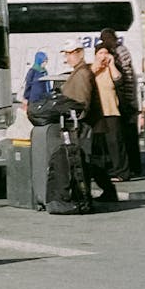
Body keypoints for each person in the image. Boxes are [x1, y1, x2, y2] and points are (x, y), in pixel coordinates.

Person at [58, 38, 118, 206]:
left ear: (79, 53)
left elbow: (83, 100)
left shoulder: (83, 73)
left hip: (90, 126)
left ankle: (101, 192)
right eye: (66, 54)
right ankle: (104, 191)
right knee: (92, 162)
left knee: (92, 162)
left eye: (70, 54)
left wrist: (77, 117)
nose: (67, 58)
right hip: (89, 125)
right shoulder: (79, 71)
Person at [100, 26, 141, 178]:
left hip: (126, 101)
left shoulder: (119, 52)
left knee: (125, 137)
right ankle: (134, 167)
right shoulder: (120, 50)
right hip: (129, 100)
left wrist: (127, 101)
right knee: (129, 137)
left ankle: (130, 168)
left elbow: (125, 78)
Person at [92, 43, 130, 181]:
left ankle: (122, 172)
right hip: (97, 112)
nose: (103, 56)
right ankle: (105, 170)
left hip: (112, 110)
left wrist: (111, 64)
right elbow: (88, 79)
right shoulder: (92, 68)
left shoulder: (112, 69)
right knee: (99, 143)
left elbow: (119, 80)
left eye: (105, 53)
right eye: (100, 53)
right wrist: (97, 65)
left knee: (115, 142)